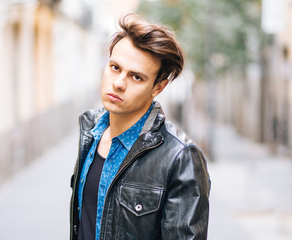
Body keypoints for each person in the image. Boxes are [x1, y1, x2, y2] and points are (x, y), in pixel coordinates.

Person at [70, 13, 210, 240]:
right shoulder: (90, 133)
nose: (118, 83)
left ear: (158, 88)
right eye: (115, 67)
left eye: (136, 77)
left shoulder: (180, 158)